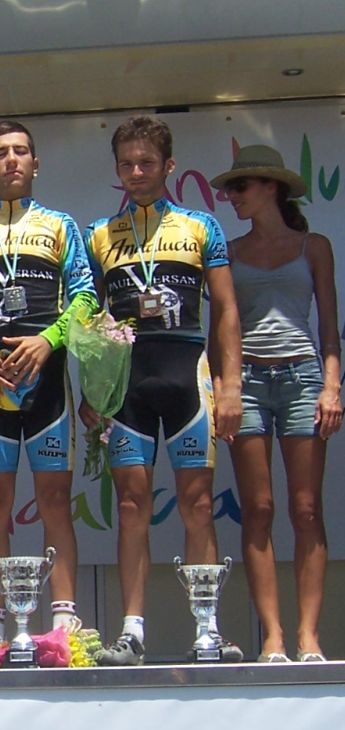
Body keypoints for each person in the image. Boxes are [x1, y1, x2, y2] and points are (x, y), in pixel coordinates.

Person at [82, 116, 244, 665]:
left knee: (198, 504)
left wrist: (230, 384)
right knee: (131, 506)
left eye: (146, 162)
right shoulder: (99, 234)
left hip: (186, 375)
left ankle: (207, 629)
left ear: (168, 166)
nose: (136, 172)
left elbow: (226, 309)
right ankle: (132, 632)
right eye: (126, 164)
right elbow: (90, 319)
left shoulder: (201, 227)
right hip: (127, 383)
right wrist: (92, 388)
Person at [0, 121, 98, 650]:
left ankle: (64, 618)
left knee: (55, 499)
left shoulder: (60, 226)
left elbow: (84, 296)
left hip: (46, 377)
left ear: (36, 162)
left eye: (21, 151)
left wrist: (48, 341)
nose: (12, 160)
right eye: (2, 154)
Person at [211, 145, 340, 662]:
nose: (233, 196)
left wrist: (332, 386)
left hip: (303, 377)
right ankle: (273, 637)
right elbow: (220, 327)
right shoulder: (229, 251)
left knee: (306, 509)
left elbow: (329, 325)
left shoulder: (315, 246)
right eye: (229, 188)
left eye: (240, 186)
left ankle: (309, 636)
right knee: (258, 509)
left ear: (271, 187)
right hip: (247, 381)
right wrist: (223, 386)